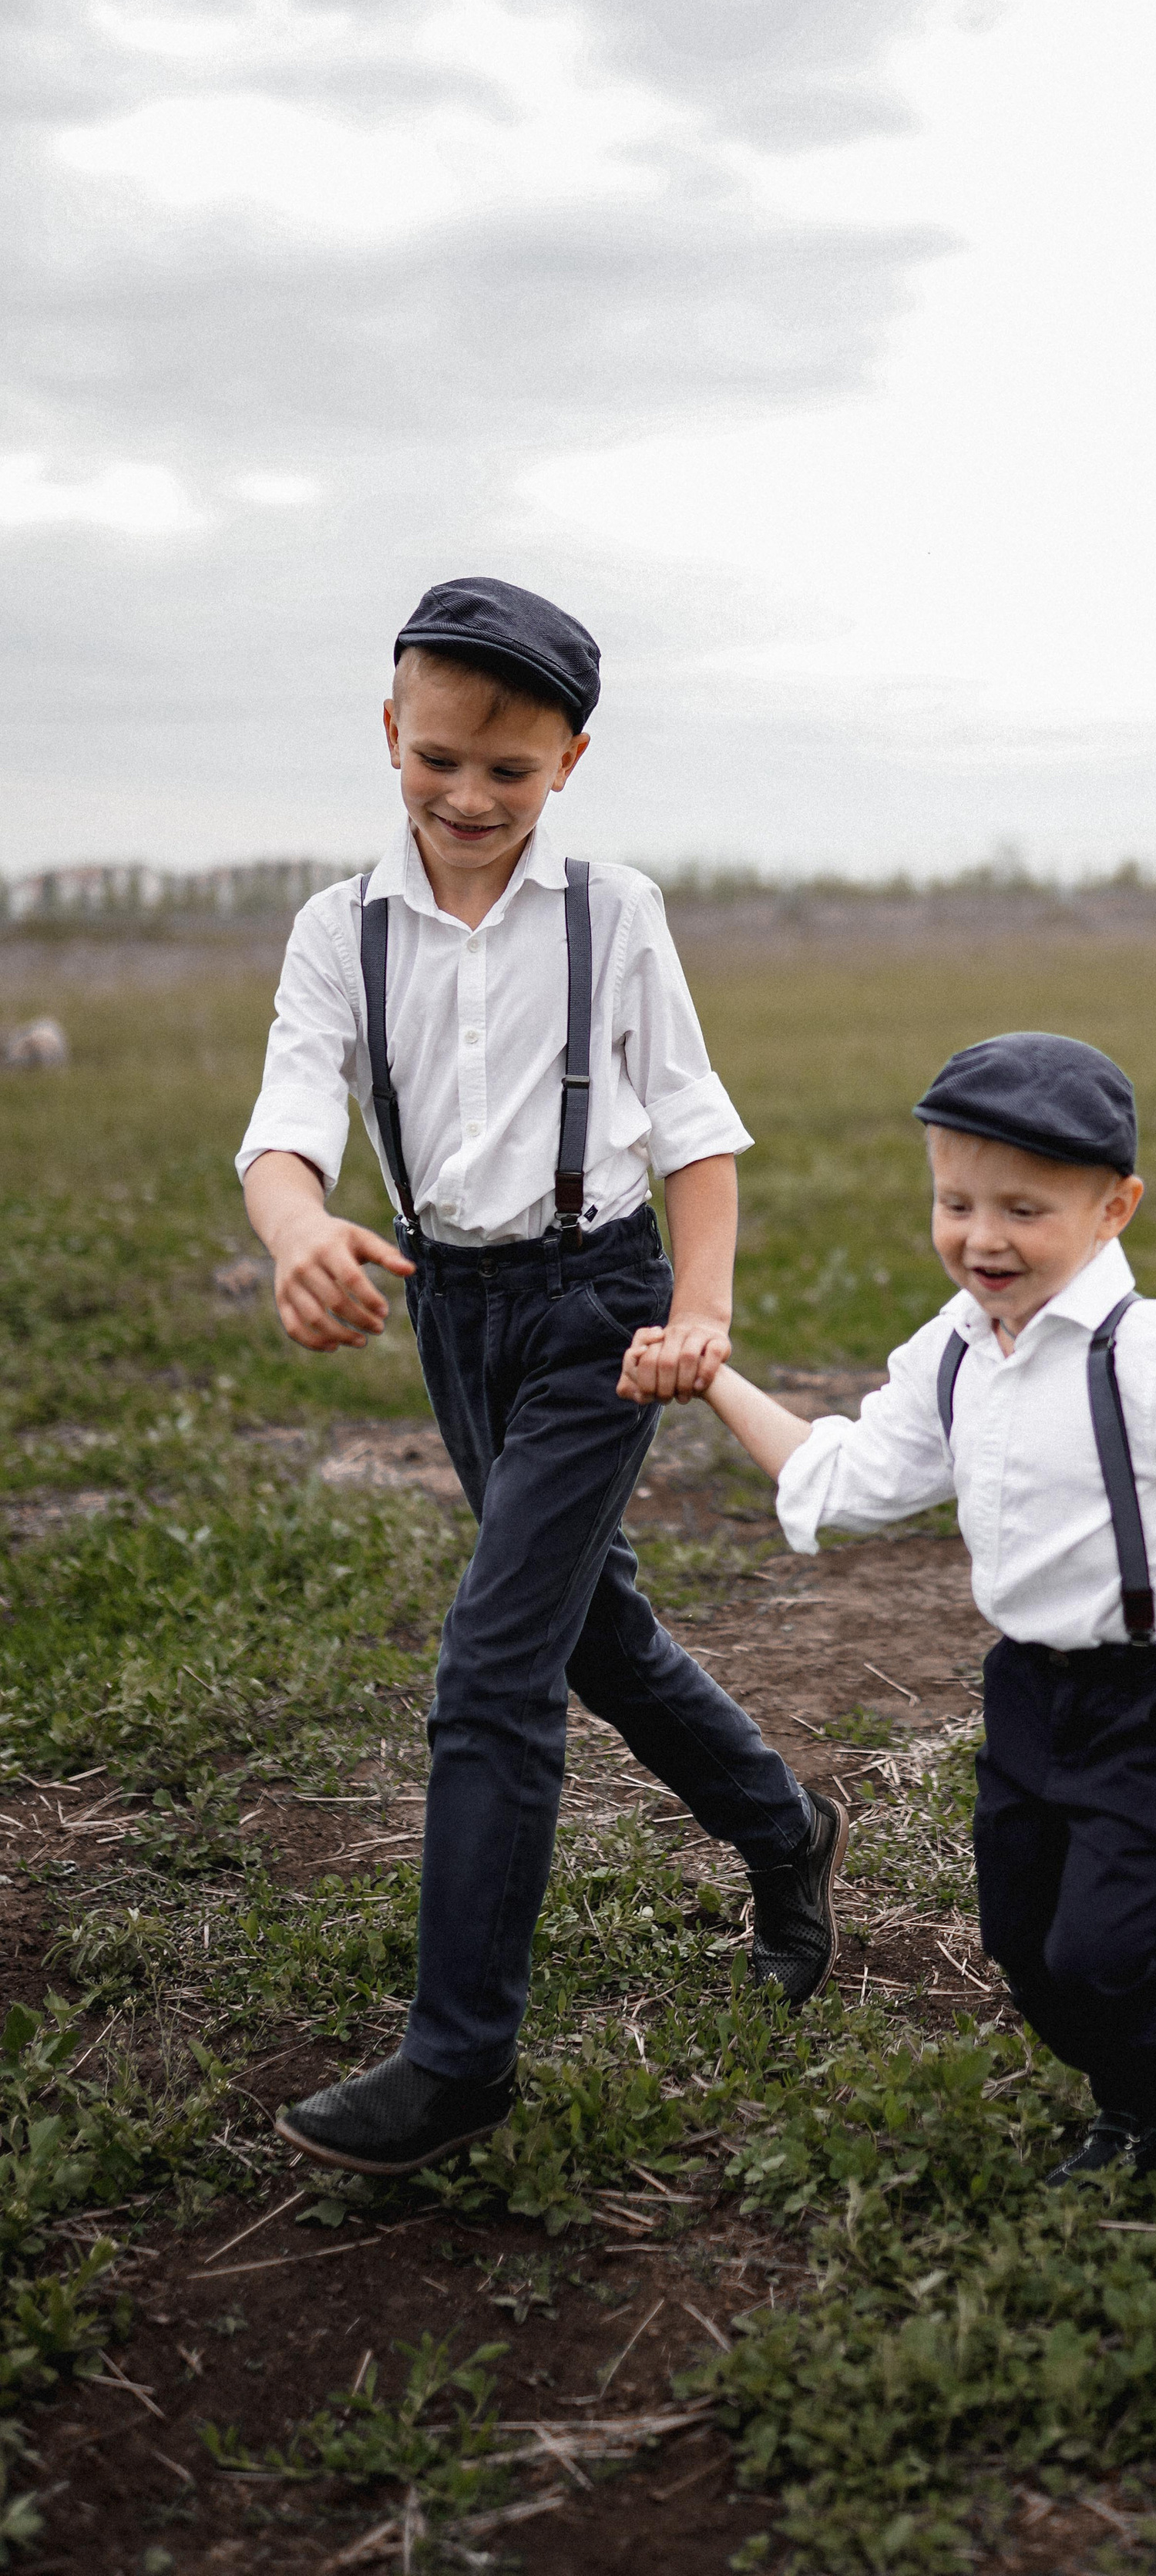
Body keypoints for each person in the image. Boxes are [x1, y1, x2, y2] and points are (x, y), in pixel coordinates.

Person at [237, 575, 843, 2177]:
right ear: (389, 730)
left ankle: (459, 2060)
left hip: (600, 1304)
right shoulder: (338, 930)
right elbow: (286, 1125)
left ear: (569, 761)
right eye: (438, 757)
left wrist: (700, 1310)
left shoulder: (612, 912)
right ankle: (786, 1829)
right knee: (591, 1630)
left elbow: (694, 1128)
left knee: (496, 1662)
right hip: (453, 1308)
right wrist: (296, 1228)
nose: (468, 796)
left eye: (510, 770)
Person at [623, 1033, 1156, 2183]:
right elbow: (843, 1475)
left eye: (1024, 1210)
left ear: (1114, 1209)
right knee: (1025, 1945)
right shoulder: (955, 1353)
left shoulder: (1149, 1356)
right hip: (1027, 1692)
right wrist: (711, 1376)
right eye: (956, 1204)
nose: (982, 1238)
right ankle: (1150, 2106)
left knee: (1104, 1952)